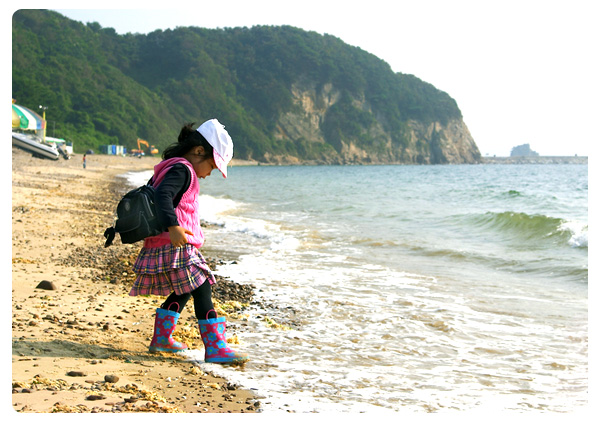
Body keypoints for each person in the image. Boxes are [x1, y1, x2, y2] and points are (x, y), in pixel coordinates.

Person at [129, 119, 248, 364]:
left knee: (184, 289)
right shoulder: (182, 170)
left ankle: (162, 339)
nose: (209, 173)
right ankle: (215, 348)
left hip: (166, 242)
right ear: (198, 151)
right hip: (174, 243)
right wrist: (174, 227)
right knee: (202, 286)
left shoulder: (172, 167)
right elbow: (163, 195)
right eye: (212, 166)